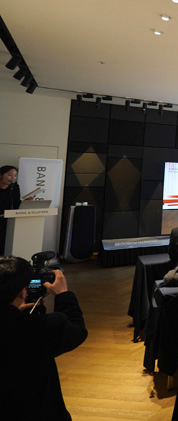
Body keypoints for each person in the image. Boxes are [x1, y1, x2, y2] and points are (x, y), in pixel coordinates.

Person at [0, 256, 88, 419]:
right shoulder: (42, 327)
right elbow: (77, 332)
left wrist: (14, 311)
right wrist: (63, 294)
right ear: (22, 292)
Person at [0, 165, 21, 255]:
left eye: (15, 175)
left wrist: (26, 202)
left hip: (9, 220)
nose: (13, 178)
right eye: (10, 175)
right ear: (1, 175)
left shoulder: (15, 187)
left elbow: (16, 204)